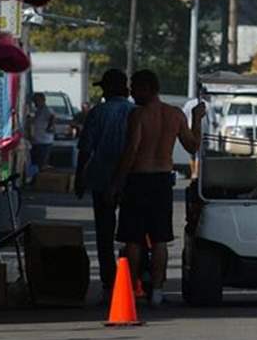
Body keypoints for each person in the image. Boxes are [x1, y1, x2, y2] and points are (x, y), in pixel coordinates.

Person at [110, 70, 206, 306]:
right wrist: (196, 119)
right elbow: (193, 146)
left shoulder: (138, 115)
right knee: (160, 238)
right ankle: (158, 291)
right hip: (163, 180)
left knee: (133, 238)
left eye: (135, 88)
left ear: (147, 88)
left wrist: (118, 181)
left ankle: (132, 288)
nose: (131, 92)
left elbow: (132, 150)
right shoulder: (174, 115)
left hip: (139, 180)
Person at [74, 69, 134, 303]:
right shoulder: (135, 113)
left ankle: (110, 280)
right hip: (131, 179)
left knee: (104, 233)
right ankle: (132, 276)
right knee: (132, 232)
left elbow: (86, 148)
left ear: (109, 89)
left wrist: (80, 177)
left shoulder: (98, 113)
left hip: (102, 178)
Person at [27, 92, 55, 183]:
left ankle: (42, 180)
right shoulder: (38, 110)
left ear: (42, 100)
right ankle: (34, 179)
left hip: (44, 141)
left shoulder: (46, 110)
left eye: (36, 100)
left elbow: (52, 117)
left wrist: (50, 127)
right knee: (35, 161)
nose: (34, 102)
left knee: (42, 162)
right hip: (37, 140)